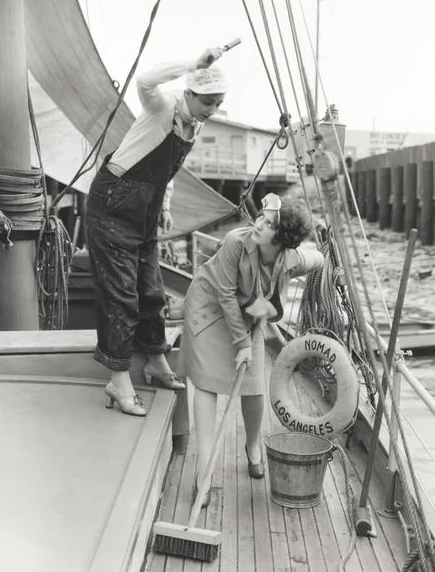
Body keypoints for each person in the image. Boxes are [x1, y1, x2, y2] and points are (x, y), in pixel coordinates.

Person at [86, 47, 228, 417]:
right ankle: (118, 381)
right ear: (189, 93)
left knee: (150, 290)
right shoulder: (162, 108)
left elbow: (167, 171)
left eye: (217, 104)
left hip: (145, 209)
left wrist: (163, 207)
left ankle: (156, 361)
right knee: (121, 295)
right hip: (113, 204)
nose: (211, 111)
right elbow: (146, 80)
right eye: (207, 102)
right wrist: (193, 65)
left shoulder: (193, 125)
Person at [177, 194, 324, 507]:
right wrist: (243, 344)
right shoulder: (235, 241)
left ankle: (253, 446)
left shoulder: (290, 258)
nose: (258, 224)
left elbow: (317, 260)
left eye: (269, 224)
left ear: (283, 238)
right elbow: (227, 295)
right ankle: (204, 471)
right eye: (261, 217)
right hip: (209, 308)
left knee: (254, 387)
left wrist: (327, 263)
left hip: (248, 316)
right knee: (205, 385)